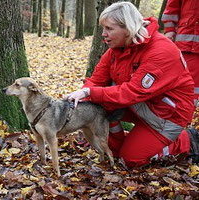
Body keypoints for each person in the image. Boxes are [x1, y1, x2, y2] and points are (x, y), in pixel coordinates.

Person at [67, 2, 199, 168]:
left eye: (109, 29)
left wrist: (89, 93)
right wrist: (83, 95)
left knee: (131, 160)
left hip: (165, 117)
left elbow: (132, 92)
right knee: (118, 153)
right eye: (103, 28)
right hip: (139, 105)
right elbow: (96, 80)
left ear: (127, 29)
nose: (103, 34)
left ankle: (185, 142)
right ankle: (116, 149)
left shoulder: (161, 51)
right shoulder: (118, 48)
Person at [162, 0, 199, 106]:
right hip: (185, 46)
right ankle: (183, 117)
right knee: (183, 85)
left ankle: (190, 117)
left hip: (188, 46)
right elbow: (172, 7)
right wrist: (169, 30)